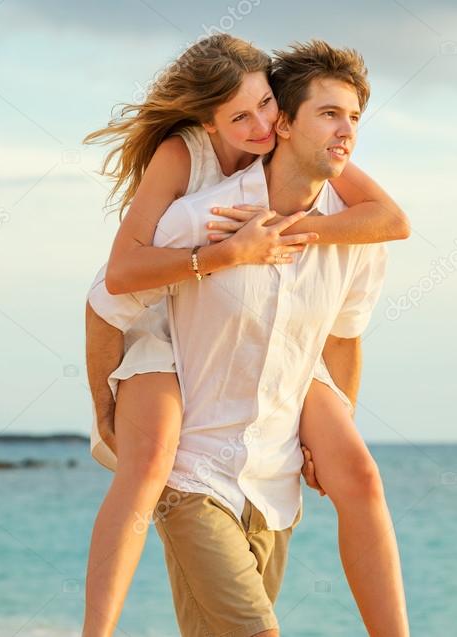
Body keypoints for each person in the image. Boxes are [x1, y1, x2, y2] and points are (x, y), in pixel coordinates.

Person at [83, 37, 410, 637]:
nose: (259, 125)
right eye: (329, 114)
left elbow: (351, 319)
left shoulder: (348, 225)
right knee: (150, 460)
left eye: (354, 117)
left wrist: (329, 438)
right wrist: (104, 404)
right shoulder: (191, 186)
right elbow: (113, 286)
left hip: (270, 471)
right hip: (182, 410)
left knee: (360, 473)